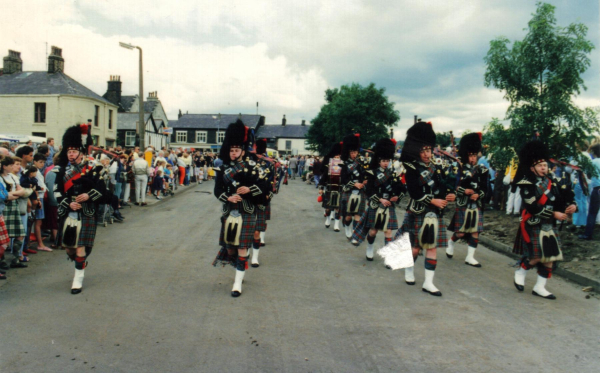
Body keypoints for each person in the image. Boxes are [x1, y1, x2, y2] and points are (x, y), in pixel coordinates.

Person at [395, 122, 455, 297]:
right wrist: (433, 200)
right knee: (415, 249)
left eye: (429, 150)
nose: (427, 154)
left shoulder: (435, 168)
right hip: (419, 211)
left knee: (432, 247)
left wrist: (449, 195)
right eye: (423, 151)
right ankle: (409, 269)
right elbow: (414, 192)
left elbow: (441, 187)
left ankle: (429, 283)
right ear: (416, 151)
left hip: (434, 214)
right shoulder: (412, 169)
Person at [512, 141, 577, 300]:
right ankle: (521, 270)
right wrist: (554, 214)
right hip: (533, 222)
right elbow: (532, 206)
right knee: (537, 256)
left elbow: (566, 196)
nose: (544, 167)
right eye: (540, 165)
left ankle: (539, 287)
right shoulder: (527, 184)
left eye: (545, 164)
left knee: (551, 256)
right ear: (532, 167)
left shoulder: (553, 181)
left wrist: (572, 206)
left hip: (549, 224)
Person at [212, 120, 268, 297]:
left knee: (243, 248)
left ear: (243, 151)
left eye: (236, 150)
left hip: (247, 211)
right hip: (230, 212)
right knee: (231, 249)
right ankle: (239, 267)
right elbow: (217, 190)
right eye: (231, 150)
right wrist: (227, 197)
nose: (233, 153)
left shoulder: (253, 167)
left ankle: (237, 283)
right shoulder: (223, 169)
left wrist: (249, 190)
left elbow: (266, 187)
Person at [54, 124, 108, 294]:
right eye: (68, 151)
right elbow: (56, 192)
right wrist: (68, 203)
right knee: (69, 248)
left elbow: (103, 190)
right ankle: (80, 261)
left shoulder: (93, 169)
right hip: (69, 211)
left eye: (74, 151)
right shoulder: (61, 171)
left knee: (80, 247)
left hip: (86, 212)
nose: (70, 154)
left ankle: (78, 279)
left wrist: (89, 196)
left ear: (81, 152)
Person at [350, 138, 405, 262]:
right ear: (379, 161)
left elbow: (402, 189)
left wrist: (397, 197)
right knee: (373, 231)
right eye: (384, 161)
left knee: (388, 232)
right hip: (376, 205)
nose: (386, 163)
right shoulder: (372, 173)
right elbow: (368, 191)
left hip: (389, 206)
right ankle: (369, 247)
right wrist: (380, 199)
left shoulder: (393, 174)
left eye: (387, 160)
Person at [446, 133, 489, 267]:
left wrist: (478, 194)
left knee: (476, 231)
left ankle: (470, 257)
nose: (473, 158)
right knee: (461, 232)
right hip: (463, 203)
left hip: (476, 204)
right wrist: (463, 191)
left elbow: (485, 188)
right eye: (470, 156)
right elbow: (452, 186)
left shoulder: (482, 170)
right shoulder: (459, 168)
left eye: (475, 156)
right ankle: (451, 242)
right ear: (466, 155)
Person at [251, 138, 277, 264]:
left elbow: (273, 181)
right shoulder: (247, 162)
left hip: (262, 197)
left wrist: (269, 194)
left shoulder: (269, 163)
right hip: (247, 199)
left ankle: (255, 257)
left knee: (259, 227)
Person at [339, 133, 368, 242]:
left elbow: (365, 175)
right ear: (348, 152)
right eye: (352, 152)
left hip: (360, 191)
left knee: (358, 215)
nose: (354, 154)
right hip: (349, 191)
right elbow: (344, 179)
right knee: (348, 216)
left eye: (355, 152)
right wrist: (354, 184)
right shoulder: (345, 164)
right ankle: (347, 227)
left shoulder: (362, 163)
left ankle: (355, 235)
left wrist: (365, 181)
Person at [318, 143, 343, 231]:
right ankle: (328, 218)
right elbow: (324, 177)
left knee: (337, 208)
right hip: (329, 187)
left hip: (339, 188)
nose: (337, 158)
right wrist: (321, 187)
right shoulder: (328, 166)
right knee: (328, 208)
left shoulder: (343, 165)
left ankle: (336, 224)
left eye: (338, 156)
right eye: (335, 156)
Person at [578, 144, 600, 240]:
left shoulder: (593, 162)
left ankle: (588, 234)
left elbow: (589, 175)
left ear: (594, 152)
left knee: (592, 213)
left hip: (597, 189)